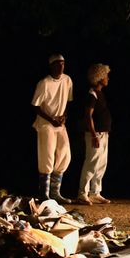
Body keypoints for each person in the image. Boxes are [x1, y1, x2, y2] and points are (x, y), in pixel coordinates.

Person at [31, 54, 73, 202]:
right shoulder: (44, 83)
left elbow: (68, 101)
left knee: (64, 154)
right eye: (58, 63)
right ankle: (44, 194)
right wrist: (51, 119)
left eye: (63, 63)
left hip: (60, 124)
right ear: (52, 66)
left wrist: (64, 116)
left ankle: (55, 193)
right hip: (45, 123)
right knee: (47, 156)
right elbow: (35, 106)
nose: (61, 66)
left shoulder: (67, 80)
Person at [77, 63, 112, 205]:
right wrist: (93, 135)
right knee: (91, 163)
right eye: (106, 75)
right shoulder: (92, 94)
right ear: (99, 77)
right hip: (95, 134)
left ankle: (95, 192)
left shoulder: (99, 93)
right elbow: (88, 115)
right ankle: (82, 193)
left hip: (103, 133)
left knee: (101, 163)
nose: (108, 78)